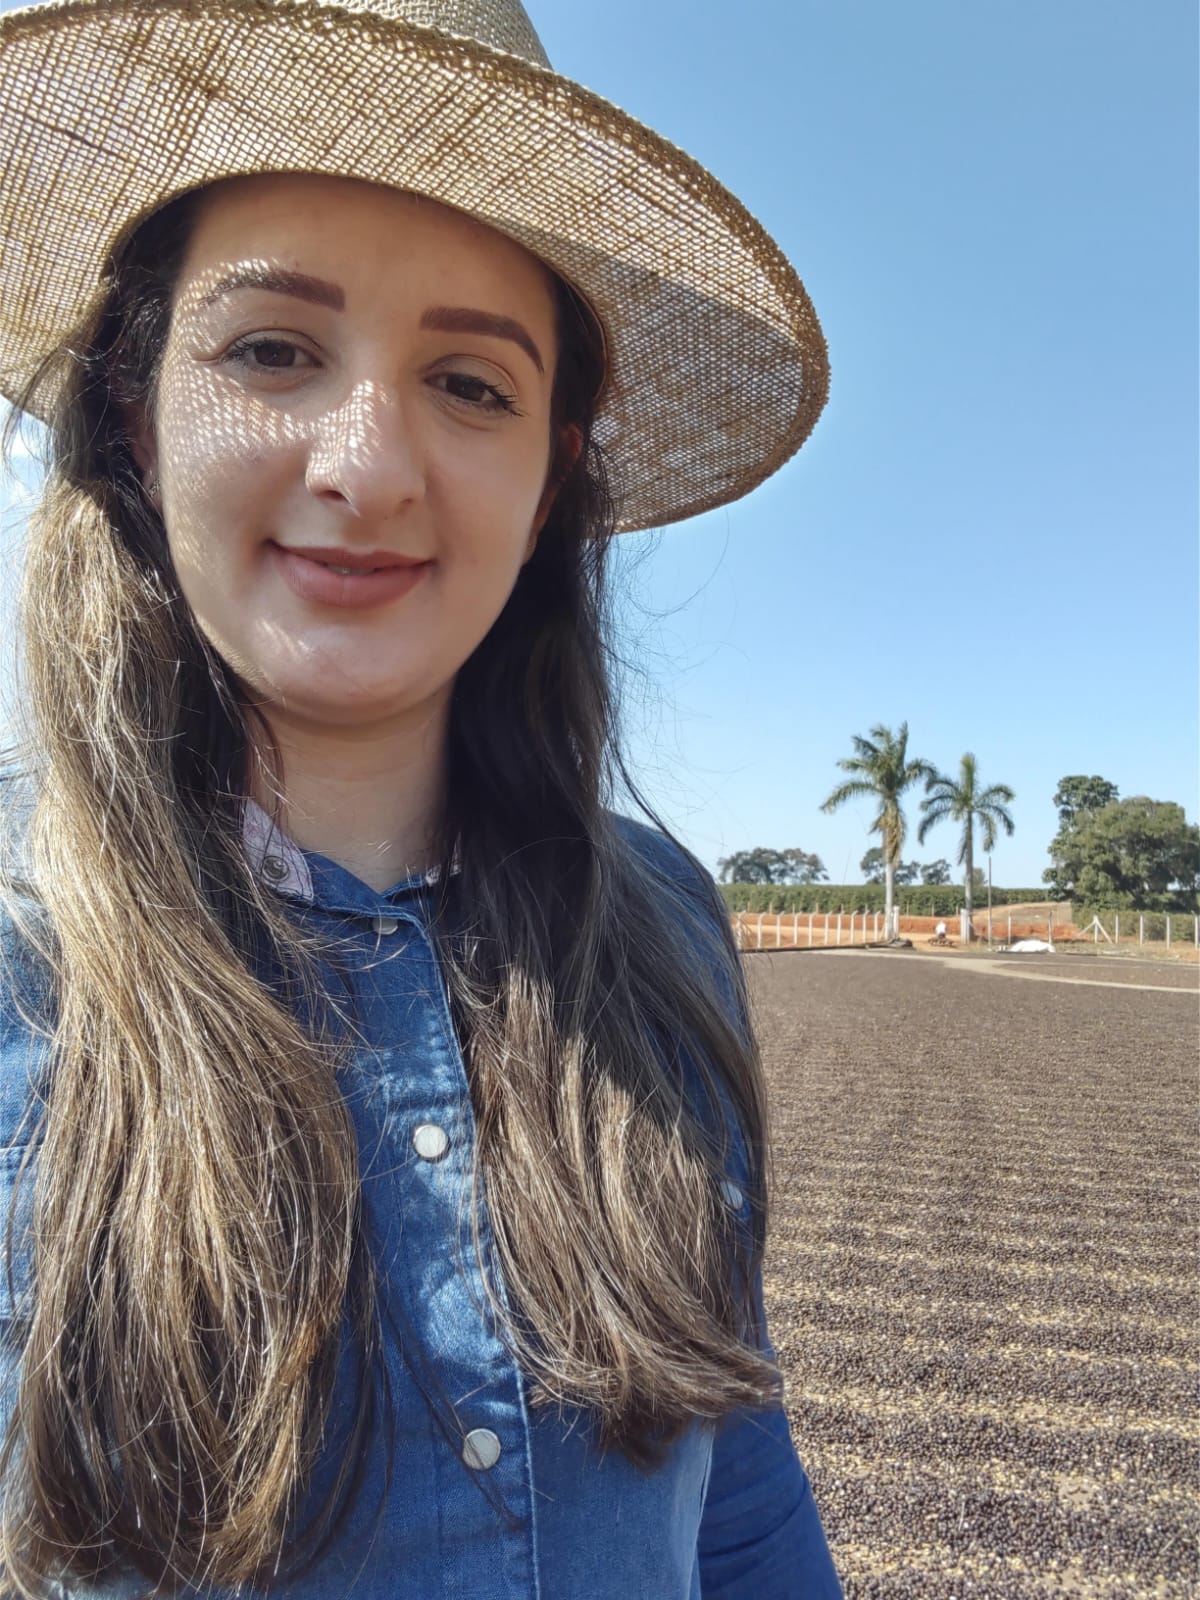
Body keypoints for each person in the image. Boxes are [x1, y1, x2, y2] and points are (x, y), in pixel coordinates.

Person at [0, 1, 839, 1595]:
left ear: (550, 486)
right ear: (134, 410)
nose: (370, 465)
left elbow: (735, 1485)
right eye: (271, 350)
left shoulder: (662, 920)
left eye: (470, 382)